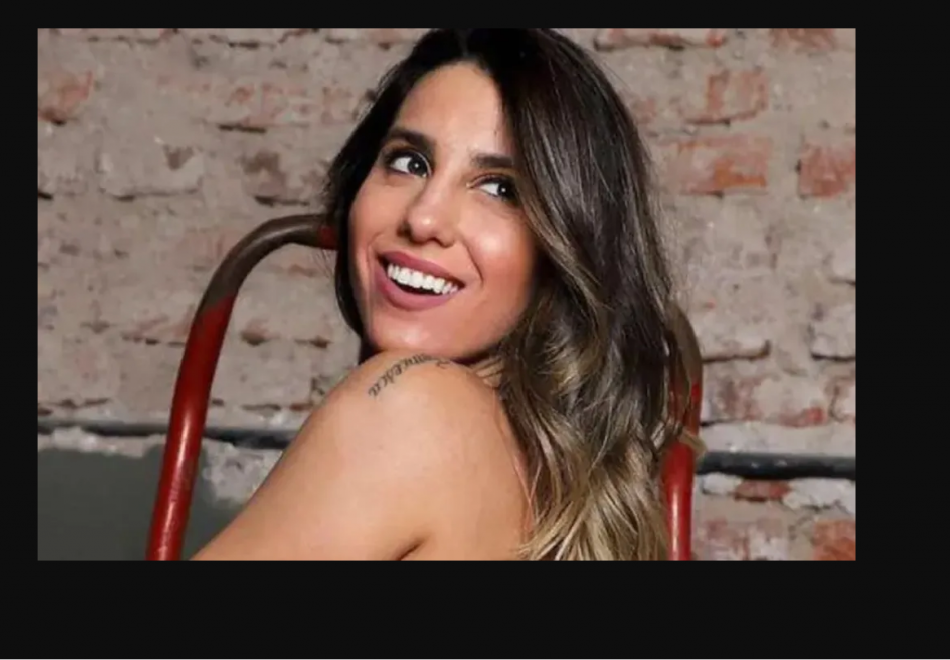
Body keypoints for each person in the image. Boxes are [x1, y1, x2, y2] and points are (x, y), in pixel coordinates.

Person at [192, 28, 696, 561]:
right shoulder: (554, 477)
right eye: (409, 162)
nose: (423, 218)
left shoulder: (412, 410)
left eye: (501, 189)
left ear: (567, 246)